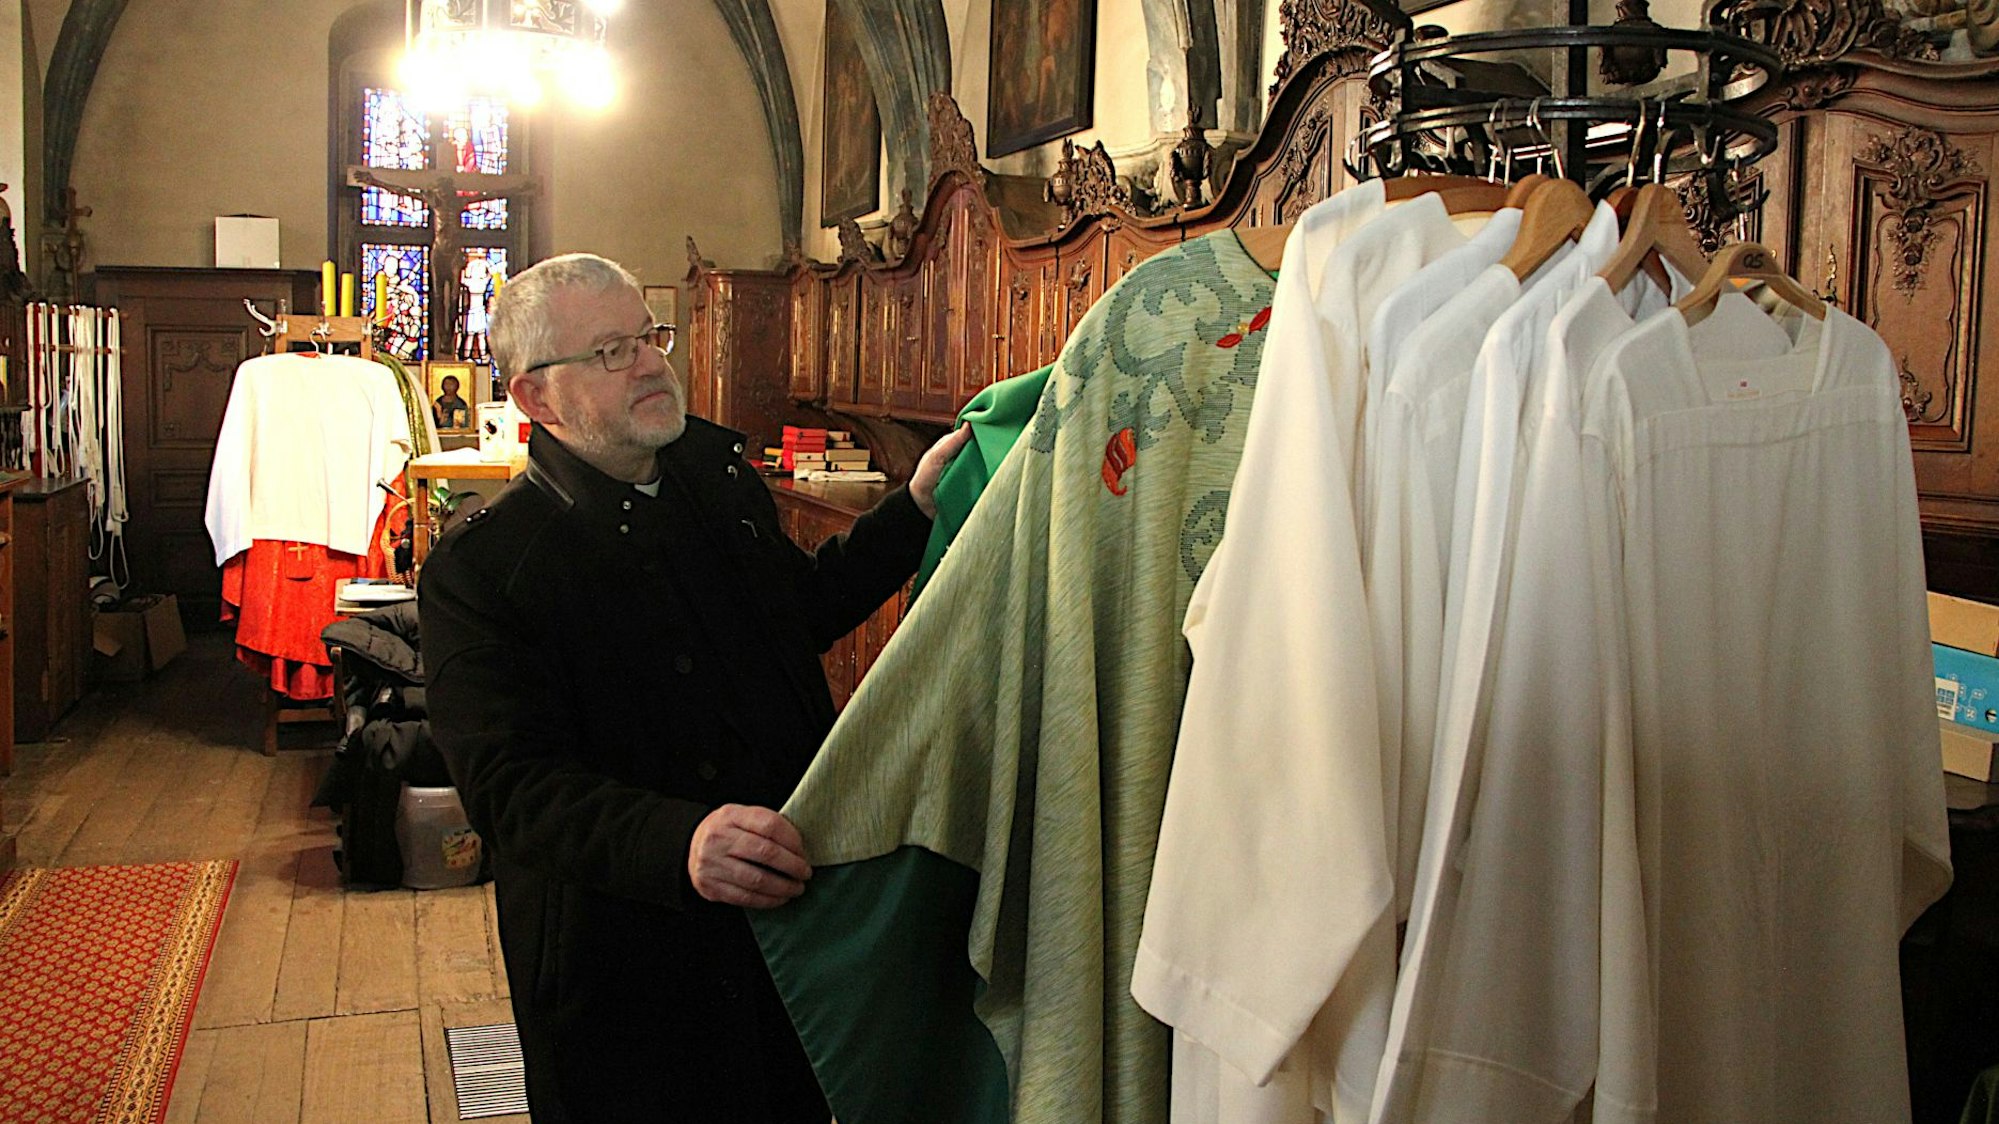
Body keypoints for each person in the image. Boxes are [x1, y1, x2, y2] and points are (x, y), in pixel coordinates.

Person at [418, 251, 969, 1123]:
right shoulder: (483, 566)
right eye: (609, 352)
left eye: (648, 336)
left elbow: (796, 611)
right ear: (535, 399)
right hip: (623, 961)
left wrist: (914, 508)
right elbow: (509, 787)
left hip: (782, 922)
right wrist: (678, 841)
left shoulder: (714, 483)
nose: (648, 361)